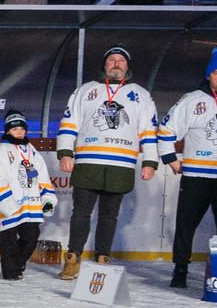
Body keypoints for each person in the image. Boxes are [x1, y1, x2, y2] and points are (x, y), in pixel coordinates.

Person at [54, 45, 160, 279]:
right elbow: (69, 123)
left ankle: (102, 260)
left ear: (127, 65)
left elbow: (148, 131)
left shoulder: (141, 95)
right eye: (112, 59)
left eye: (121, 60)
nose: (116, 64)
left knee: (109, 217)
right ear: (105, 64)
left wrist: (150, 162)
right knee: (80, 213)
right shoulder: (86, 90)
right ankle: (72, 259)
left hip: (121, 165)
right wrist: (65, 153)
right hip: (88, 163)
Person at [160, 48, 217, 288]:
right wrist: (170, 158)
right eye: (216, 73)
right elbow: (166, 129)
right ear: (208, 75)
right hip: (196, 176)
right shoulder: (192, 100)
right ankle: (180, 269)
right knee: (186, 225)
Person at [0, 111, 57, 279]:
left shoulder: (31, 151)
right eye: (15, 129)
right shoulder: (1, 151)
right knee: (8, 240)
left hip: (30, 206)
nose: (19, 132)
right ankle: (11, 272)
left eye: (22, 129)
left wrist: (48, 199)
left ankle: (16, 264)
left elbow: (42, 177)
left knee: (31, 237)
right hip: (8, 205)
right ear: (7, 131)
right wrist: (9, 205)